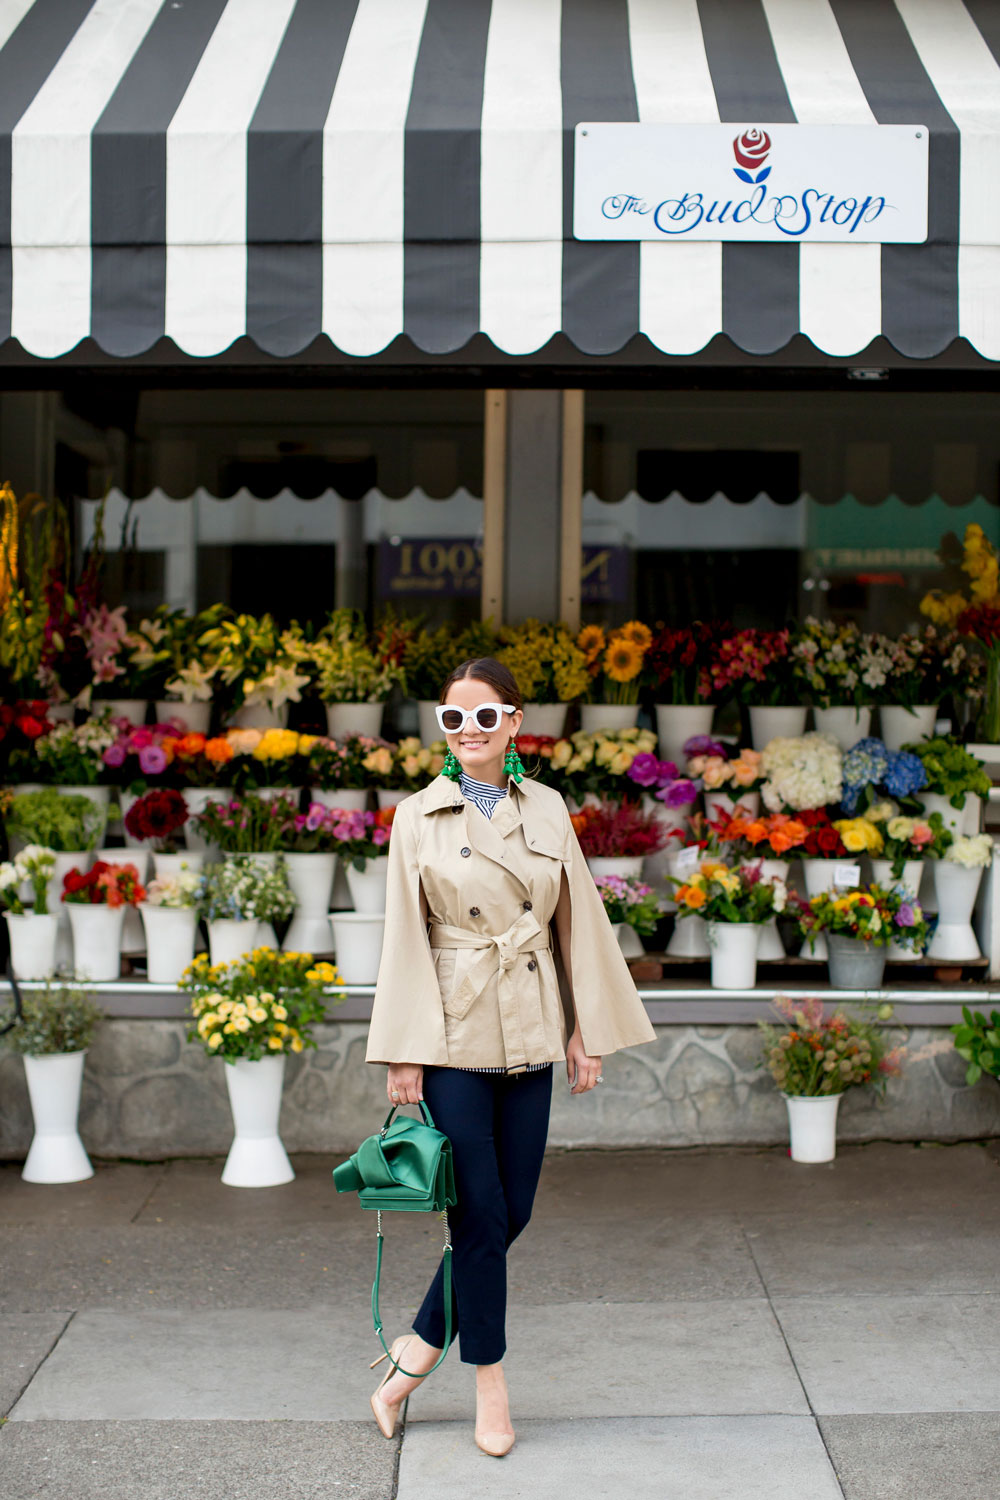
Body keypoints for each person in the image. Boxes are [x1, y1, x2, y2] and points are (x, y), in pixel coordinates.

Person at [364, 657, 655, 1456]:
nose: (468, 734)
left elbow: (579, 926)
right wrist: (403, 1051)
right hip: (454, 1027)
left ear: (515, 722)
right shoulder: (419, 816)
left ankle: (409, 1361)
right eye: (452, 720)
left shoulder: (549, 808)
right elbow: (404, 937)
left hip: (530, 1019)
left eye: (484, 718)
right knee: (479, 1213)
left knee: (510, 1211)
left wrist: (584, 1029)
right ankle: (490, 1388)